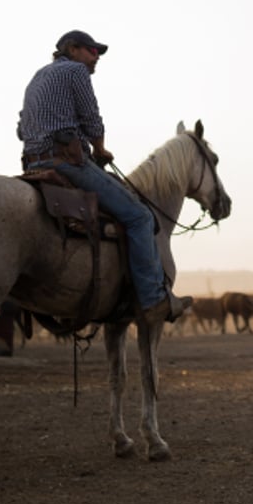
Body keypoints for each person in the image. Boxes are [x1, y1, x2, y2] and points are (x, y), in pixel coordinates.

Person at [17, 30, 191, 325]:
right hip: (66, 162)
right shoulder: (76, 71)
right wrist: (99, 148)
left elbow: (22, 127)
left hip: (33, 163)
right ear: (72, 49)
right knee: (139, 217)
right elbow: (91, 116)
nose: (96, 58)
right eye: (92, 51)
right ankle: (153, 300)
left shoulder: (38, 76)